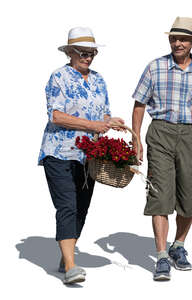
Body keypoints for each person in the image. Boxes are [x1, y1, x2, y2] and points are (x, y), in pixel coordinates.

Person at [132, 17, 192, 281]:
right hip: (161, 132)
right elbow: (139, 105)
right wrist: (136, 139)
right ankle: (160, 256)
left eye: (183, 39)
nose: (177, 43)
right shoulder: (155, 67)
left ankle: (178, 245)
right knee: (159, 193)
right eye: (173, 38)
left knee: (188, 196)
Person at [38, 27, 124, 284]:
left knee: (82, 208)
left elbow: (102, 115)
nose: (88, 57)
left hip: (88, 156)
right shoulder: (59, 78)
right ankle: (71, 267)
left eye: (92, 53)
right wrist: (92, 126)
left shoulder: (98, 80)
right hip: (59, 152)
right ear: (70, 53)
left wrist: (111, 121)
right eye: (83, 53)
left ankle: (66, 257)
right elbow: (56, 116)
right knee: (67, 205)